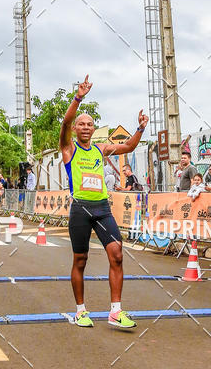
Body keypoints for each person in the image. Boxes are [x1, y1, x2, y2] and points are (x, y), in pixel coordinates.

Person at [59, 74, 149, 330]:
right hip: (80, 209)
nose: (86, 127)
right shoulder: (69, 148)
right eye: (82, 124)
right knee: (80, 260)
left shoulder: (101, 149)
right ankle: (80, 310)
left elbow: (130, 147)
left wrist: (140, 127)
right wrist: (78, 98)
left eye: (90, 124)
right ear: (76, 129)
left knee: (117, 254)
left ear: (93, 128)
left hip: (102, 208)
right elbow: (65, 122)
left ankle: (115, 311)